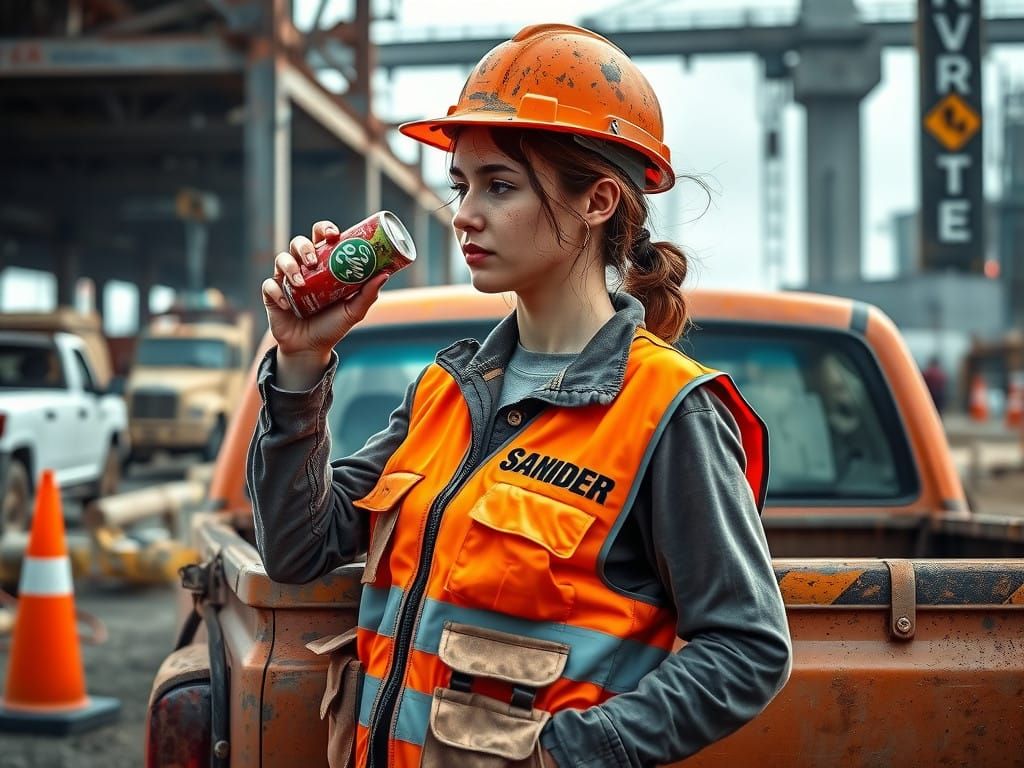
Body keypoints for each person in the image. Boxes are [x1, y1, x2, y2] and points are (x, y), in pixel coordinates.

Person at [249, 23, 791, 768]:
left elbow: (747, 649)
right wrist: (301, 365)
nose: (465, 214)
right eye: (462, 186)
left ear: (598, 200)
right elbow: (298, 549)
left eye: (499, 186)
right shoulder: (448, 391)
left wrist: (562, 755)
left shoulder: (667, 410)